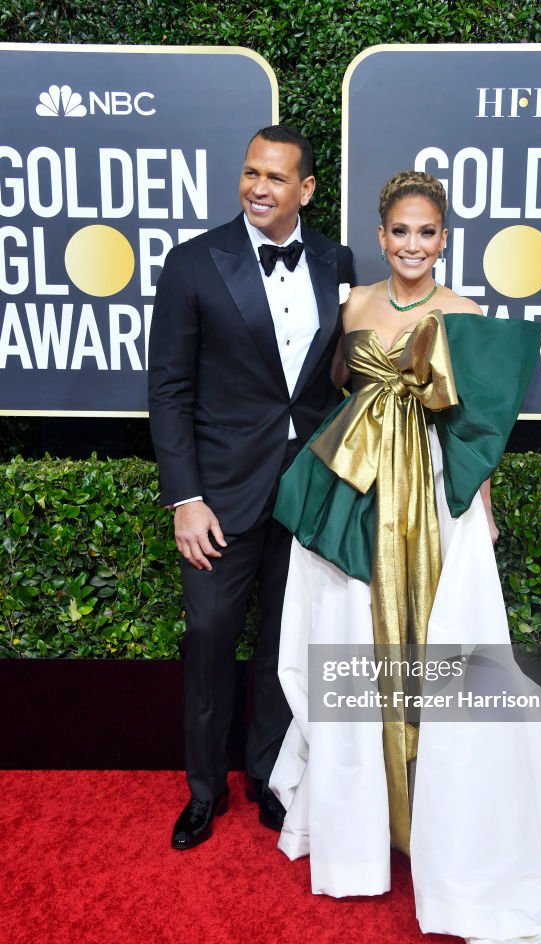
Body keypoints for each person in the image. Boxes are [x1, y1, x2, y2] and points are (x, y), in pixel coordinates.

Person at [268, 170, 541, 944]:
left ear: (444, 239)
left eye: (428, 233)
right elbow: (335, 398)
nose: (413, 246)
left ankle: (450, 814)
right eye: (400, 232)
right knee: (355, 636)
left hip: (432, 502)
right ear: (382, 234)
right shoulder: (351, 304)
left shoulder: (463, 316)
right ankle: (366, 818)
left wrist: (481, 507)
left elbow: (478, 427)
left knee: (447, 652)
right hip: (359, 495)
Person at [148, 125, 355, 850]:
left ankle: (269, 773)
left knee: (282, 638)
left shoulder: (338, 262)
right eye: (249, 174)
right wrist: (185, 497)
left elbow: (337, 384)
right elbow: (169, 390)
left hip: (304, 489)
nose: (259, 188)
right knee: (208, 636)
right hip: (220, 493)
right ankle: (204, 790)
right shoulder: (194, 264)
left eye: (275, 177)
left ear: (307, 189)